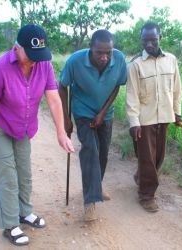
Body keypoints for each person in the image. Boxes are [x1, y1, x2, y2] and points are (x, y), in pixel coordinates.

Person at [0, 24, 74, 246]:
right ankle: (11, 225)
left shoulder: (44, 65)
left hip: (23, 127)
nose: (34, 60)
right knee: (9, 178)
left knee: (25, 172)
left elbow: (53, 99)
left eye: (38, 55)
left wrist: (61, 132)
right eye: (30, 55)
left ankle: (24, 212)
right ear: (16, 48)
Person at [59, 29, 127, 221]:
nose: (105, 57)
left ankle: (96, 187)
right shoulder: (75, 61)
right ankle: (90, 201)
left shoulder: (119, 60)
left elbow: (117, 86)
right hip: (83, 112)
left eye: (109, 52)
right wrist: (66, 119)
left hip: (106, 114)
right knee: (90, 152)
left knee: (103, 154)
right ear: (91, 48)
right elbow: (62, 86)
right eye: (100, 53)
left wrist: (103, 112)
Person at [126, 22, 182, 212]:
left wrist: (177, 112)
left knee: (158, 157)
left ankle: (141, 176)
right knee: (148, 159)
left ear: (160, 38)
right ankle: (146, 195)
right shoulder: (135, 65)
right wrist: (134, 122)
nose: (149, 44)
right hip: (145, 120)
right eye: (145, 40)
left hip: (165, 117)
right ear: (141, 40)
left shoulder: (171, 60)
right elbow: (132, 96)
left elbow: (176, 89)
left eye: (153, 39)